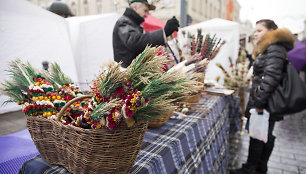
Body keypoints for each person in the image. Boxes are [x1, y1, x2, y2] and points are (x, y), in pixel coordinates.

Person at [230, 19, 295, 174]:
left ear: (272, 31)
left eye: (259, 30)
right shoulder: (271, 48)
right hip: (265, 101)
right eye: (255, 31)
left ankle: (252, 168)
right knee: (261, 134)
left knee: (259, 135)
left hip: (266, 102)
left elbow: (271, 77)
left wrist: (258, 103)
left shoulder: (275, 48)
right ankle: (258, 167)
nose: (255, 34)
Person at [112, 0, 179, 68]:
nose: (147, 15)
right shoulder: (124, 22)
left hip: (133, 70)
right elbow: (135, 41)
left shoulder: (134, 24)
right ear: (135, 7)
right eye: (145, 10)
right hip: (127, 72)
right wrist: (164, 33)